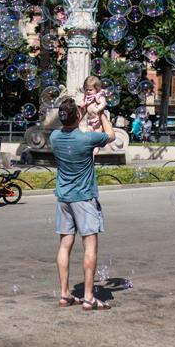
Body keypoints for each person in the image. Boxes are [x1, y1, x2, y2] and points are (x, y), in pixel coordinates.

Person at [50, 97, 113, 311]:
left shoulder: (54, 137)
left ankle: (64, 294)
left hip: (63, 198)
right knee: (90, 247)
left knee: (64, 245)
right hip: (84, 199)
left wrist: (82, 111)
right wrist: (101, 112)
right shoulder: (87, 139)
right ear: (77, 117)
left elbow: (69, 124)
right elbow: (111, 136)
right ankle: (88, 297)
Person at [79, 75, 108, 155]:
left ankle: (97, 147)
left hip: (98, 120)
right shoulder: (87, 97)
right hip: (90, 120)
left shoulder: (98, 96)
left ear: (97, 89)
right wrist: (82, 103)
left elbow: (103, 103)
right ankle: (90, 146)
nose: (88, 91)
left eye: (90, 90)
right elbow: (83, 103)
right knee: (88, 133)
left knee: (97, 134)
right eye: (86, 89)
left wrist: (98, 108)